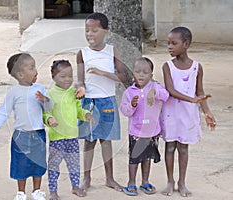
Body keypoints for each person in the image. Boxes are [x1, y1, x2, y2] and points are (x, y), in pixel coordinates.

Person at [0, 53, 53, 200]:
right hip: (21, 135)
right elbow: (4, 112)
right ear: (20, 74)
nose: (36, 71)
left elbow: (48, 108)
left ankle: (37, 191)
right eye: (31, 68)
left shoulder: (40, 89)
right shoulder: (14, 92)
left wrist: (45, 100)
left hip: (38, 133)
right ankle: (21, 192)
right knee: (20, 163)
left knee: (37, 162)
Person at [160, 26, 217, 197]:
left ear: (186, 44)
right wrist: (191, 100)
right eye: (168, 43)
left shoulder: (197, 67)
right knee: (170, 147)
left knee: (183, 149)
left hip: (187, 115)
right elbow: (170, 90)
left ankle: (182, 182)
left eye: (173, 43)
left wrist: (206, 111)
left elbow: (199, 92)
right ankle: (170, 181)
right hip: (171, 113)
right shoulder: (167, 66)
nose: (169, 47)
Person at [76, 12, 127, 191]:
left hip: (107, 102)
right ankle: (86, 178)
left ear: (105, 31)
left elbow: (123, 76)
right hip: (89, 103)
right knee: (89, 141)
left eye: (94, 30)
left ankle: (110, 178)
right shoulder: (82, 54)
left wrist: (103, 73)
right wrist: (80, 88)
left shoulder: (112, 51)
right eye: (87, 30)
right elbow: (80, 79)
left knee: (106, 141)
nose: (90, 34)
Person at [43, 60, 94, 200]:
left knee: (74, 164)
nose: (67, 80)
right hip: (57, 138)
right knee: (54, 165)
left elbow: (78, 110)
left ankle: (75, 186)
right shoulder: (50, 94)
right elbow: (46, 113)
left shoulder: (73, 93)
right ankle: (53, 190)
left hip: (72, 137)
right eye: (62, 76)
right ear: (53, 77)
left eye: (70, 76)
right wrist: (49, 120)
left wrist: (86, 115)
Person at [120, 57, 169, 196]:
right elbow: (125, 111)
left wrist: (154, 92)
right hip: (136, 132)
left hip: (152, 132)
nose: (141, 75)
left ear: (151, 75)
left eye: (145, 72)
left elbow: (166, 96)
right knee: (134, 158)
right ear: (133, 73)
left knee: (147, 158)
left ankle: (145, 181)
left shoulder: (155, 87)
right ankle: (131, 182)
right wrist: (132, 106)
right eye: (138, 71)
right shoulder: (129, 92)